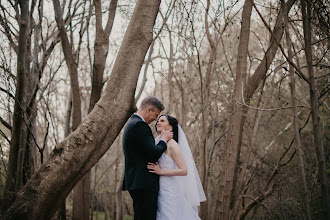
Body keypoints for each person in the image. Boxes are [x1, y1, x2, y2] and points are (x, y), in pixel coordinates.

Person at [122, 96, 173, 220]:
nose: (156, 119)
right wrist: (163, 140)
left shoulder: (132, 123)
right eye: (156, 115)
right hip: (144, 183)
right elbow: (153, 153)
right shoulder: (139, 125)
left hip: (137, 181)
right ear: (149, 110)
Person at [147, 115, 206, 220]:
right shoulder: (158, 143)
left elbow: (184, 170)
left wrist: (161, 171)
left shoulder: (173, 145)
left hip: (170, 191)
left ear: (170, 127)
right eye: (158, 121)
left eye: (162, 121)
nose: (158, 123)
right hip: (159, 189)